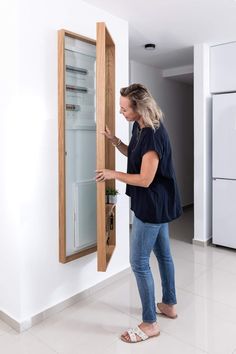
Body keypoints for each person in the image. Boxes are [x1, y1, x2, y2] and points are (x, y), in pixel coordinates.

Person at [96, 83, 182, 344]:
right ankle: (169, 304)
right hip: (157, 202)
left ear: (139, 107)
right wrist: (115, 142)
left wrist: (113, 174)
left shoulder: (154, 135)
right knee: (163, 255)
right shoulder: (139, 127)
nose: (121, 112)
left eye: (124, 108)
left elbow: (145, 179)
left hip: (153, 205)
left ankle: (150, 323)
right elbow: (133, 153)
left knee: (139, 263)